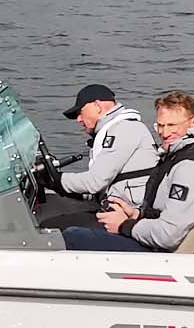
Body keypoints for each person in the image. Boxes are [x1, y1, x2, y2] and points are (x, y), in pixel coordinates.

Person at [62, 91, 194, 252]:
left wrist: (124, 225)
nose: (164, 133)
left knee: (73, 236)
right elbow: (164, 214)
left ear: (193, 122)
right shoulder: (181, 156)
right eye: (160, 125)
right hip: (153, 239)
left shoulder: (190, 168)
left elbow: (168, 235)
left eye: (172, 125)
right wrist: (136, 214)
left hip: (160, 252)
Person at [36, 84, 157, 228]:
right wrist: (59, 185)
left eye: (80, 112)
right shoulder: (116, 130)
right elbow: (98, 187)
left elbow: (95, 182)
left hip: (128, 214)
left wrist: (56, 180)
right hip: (114, 207)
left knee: (49, 227)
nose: (78, 119)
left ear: (97, 106)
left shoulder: (125, 129)